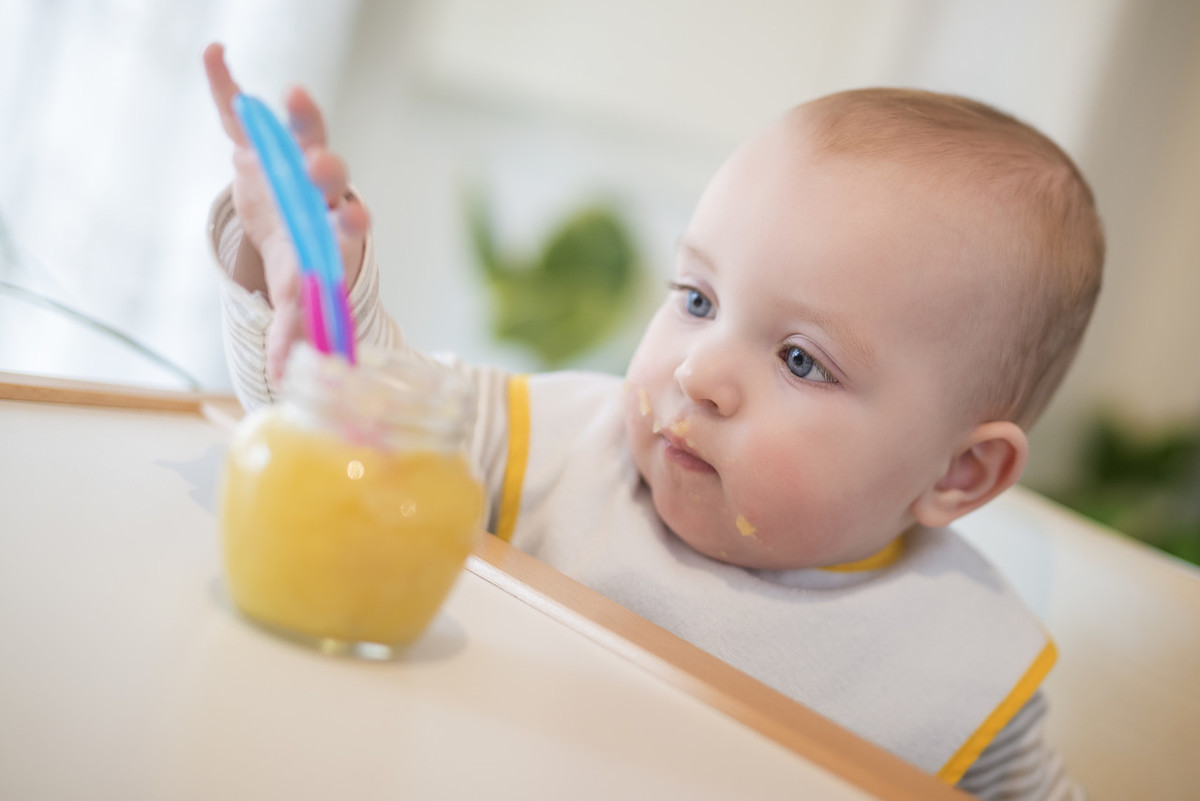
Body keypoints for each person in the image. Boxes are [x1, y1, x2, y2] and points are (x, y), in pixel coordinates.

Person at [203, 42, 1101, 799]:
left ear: (959, 473)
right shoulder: (553, 448)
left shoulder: (957, 660)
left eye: (800, 360)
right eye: (698, 297)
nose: (699, 371)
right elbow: (354, 415)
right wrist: (295, 277)